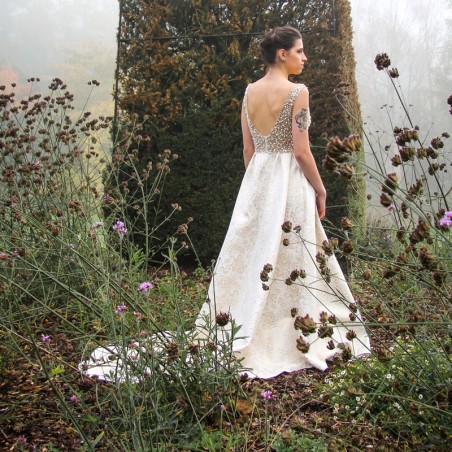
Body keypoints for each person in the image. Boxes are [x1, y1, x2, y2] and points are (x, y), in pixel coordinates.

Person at [196, 26, 370, 379]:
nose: (305, 58)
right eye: (300, 51)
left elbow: (248, 150)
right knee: (296, 253)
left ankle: (246, 320)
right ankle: (295, 325)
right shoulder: (298, 92)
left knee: (256, 253)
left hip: (257, 182)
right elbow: (302, 151)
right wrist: (320, 189)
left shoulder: (248, 93)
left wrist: (259, 187)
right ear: (283, 54)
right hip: (289, 182)